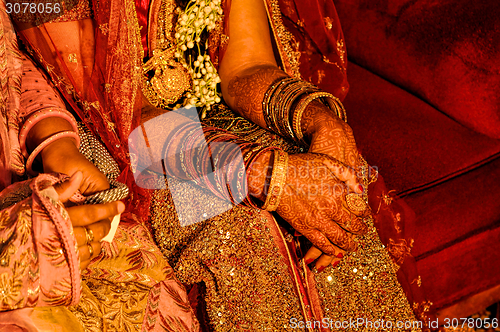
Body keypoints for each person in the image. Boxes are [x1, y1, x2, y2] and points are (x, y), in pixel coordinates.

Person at [0, 0, 428, 330]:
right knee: (242, 232)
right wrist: (261, 171)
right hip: (120, 146)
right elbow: (118, 117)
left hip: (213, 122)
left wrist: (321, 123)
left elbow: (245, 65)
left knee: (331, 192)